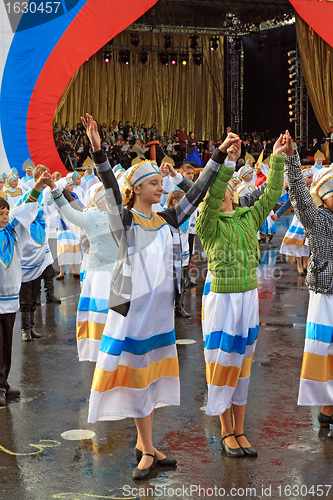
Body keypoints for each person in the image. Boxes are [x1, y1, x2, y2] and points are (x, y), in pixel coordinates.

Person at [81, 113, 240, 480]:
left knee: (151, 380)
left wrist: (218, 154)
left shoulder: (167, 219)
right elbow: (107, 185)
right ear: (136, 189)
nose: (160, 186)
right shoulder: (124, 220)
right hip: (131, 313)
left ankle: (147, 446)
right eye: (153, 183)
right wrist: (98, 149)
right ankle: (147, 451)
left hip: (159, 314)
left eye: (159, 181)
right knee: (137, 378)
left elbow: (198, 190)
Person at [195, 134, 286, 458]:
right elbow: (215, 189)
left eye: (225, 190)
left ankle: (240, 428)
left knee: (243, 364)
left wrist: (276, 158)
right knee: (222, 363)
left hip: (248, 298)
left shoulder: (248, 217)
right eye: (215, 193)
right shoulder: (208, 223)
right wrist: (228, 162)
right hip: (222, 301)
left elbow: (273, 192)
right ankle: (225, 430)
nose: (220, 195)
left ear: (234, 194)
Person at [282, 132, 333, 427]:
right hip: (326, 294)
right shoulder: (317, 220)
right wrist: (292, 158)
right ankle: (327, 409)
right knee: (325, 351)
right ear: (325, 197)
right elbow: (299, 196)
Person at [0, 173, 50, 405]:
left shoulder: (12, 232)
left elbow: (25, 210)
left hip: (9, 300)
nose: (5, 217)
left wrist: (38, 188)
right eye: (0, 214)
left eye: (6, 213)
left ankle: (3, 383)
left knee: (6, 343)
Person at [280, 167, 313, 275]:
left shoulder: (313, 189)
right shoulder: (298, 190)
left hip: (309, 218)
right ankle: (299, 265)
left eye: (312, 177)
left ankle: (306, 264)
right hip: (299, 219)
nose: (311, 180)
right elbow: (290, 201)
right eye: (309, 177)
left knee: (307, 243)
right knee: (298, 241)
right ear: (303, 179)